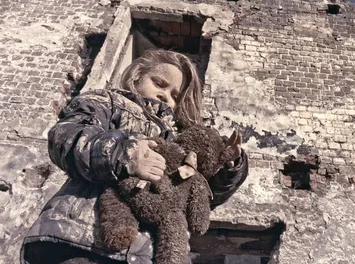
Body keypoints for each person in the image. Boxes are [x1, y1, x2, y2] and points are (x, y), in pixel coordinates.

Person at [20, 49, 248, 264]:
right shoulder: (109, 102)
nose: (165, 95)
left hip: (146, 255)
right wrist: (125, 154)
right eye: (159, 83)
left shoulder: (178, 140)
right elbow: (66, 137)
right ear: (138, 76)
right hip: (83, 239)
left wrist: (228, 167)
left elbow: (198, 195)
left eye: (175, 96)